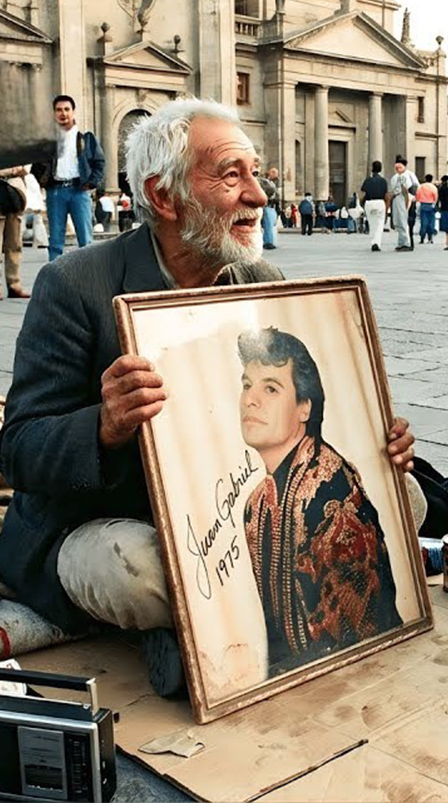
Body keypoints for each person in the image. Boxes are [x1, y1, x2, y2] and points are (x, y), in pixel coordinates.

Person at [0, 98, 417, 695]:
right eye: (230, 175)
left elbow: (300, 410)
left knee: (404, 500)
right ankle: (193, 625)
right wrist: (105, 424)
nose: (259, 196)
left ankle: (206, 622)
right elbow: (17, 448)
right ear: (165, 197)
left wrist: (376, 436)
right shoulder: (75, 285)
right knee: (135, 571)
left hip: (230, 516)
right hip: (113, 518)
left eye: (255, 172)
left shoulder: (260, 281)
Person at [238, 327, 402, 674]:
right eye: (246, 384)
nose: (250, 399)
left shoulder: (330, 492)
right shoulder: (255, 505)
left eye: (270, 387)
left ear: (304, 407)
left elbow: (360, 635)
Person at [36, 95, 105, 261]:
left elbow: (99, 162)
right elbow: (36, 165)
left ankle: (88, 279)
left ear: (73, 112)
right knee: (55, 242)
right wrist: (44, 182)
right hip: (55, 193)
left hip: (79, 192)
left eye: (67, 109)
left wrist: (91, 183)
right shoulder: (47, 142)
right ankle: (54, 281)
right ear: (54, 113)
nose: (63, 113)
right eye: (59, 110)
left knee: (86, 241)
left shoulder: (86, 139)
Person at [0, 167, 32, 299]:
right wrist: (11, 171)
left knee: (14, 244)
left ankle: (14, 284)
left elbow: (25, 168)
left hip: (14, 192)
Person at [388, 155, 415, 251]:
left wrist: (407, 203)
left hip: (401, 198)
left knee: (403, 220)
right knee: (398, 221)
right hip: (396, 198)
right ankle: (401, 242)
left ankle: (406, 243)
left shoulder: (404, 177)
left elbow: (405, 191)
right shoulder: (395, 177)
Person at [360, 161, 388, 251]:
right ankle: (377, 242)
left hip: (369, 203)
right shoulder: (383, 181)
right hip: (380, 202)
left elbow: (363, 192)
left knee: (372, 224)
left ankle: (373, 241)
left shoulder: (368, 180)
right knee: (379, 224)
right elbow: (386, 194)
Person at [259, 165, 280, 251]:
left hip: (271, 206)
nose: (276, 174)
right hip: (267, 206)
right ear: (269, 172)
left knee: (271, 225)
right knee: (268, 225)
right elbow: (271, 192)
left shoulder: (273, 182)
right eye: (274, 172)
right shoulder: (264, 181)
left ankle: (270, 241)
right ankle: (268, 242)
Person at [416, 174, 438, 244]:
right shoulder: (433, 187)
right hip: (431, 205)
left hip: (423, 205)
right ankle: (430, 238)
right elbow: (436, 197)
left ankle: (422, 238)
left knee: (423, 222)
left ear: (425, 179)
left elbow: (417, 195)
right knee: (431, 222)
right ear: (431, 179)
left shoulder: (421, 186)